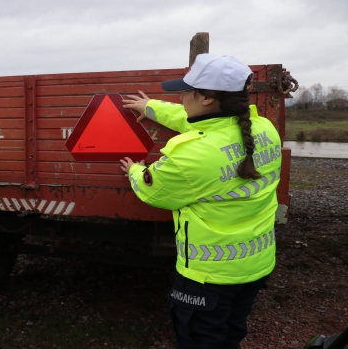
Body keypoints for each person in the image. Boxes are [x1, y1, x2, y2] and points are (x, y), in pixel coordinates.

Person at [119, 54, 282, 349]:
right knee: (231, 334)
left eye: (185, 91)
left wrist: (133, 170)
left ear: (206, 97)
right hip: (255, 266)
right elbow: (200, 123)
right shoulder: (264, 130)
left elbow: (151, 190)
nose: (181, 97)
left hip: (207, 278)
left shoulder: (191, 156)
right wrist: (152, 107)